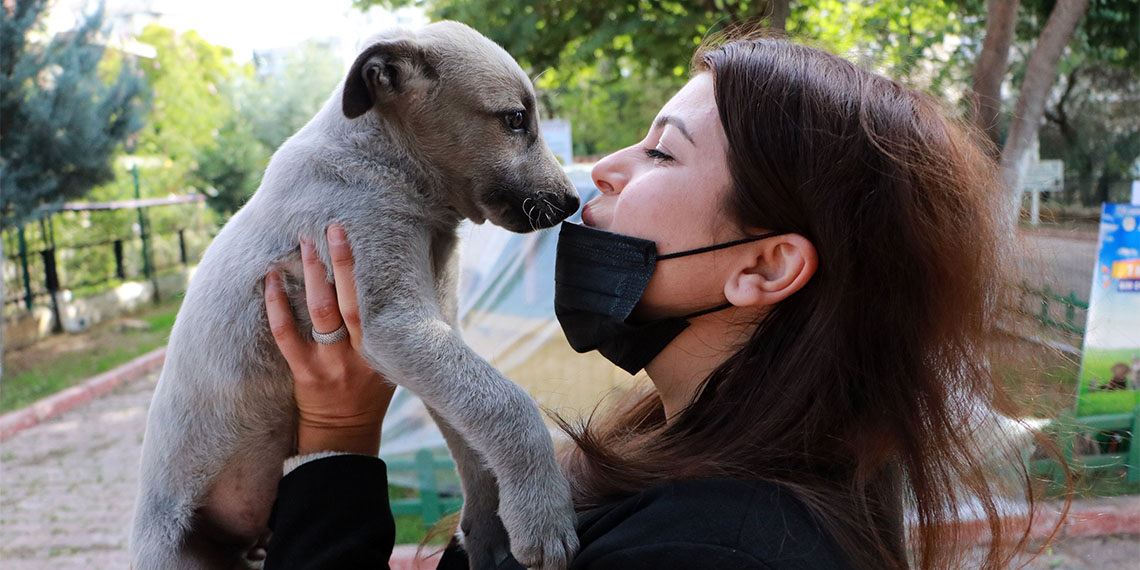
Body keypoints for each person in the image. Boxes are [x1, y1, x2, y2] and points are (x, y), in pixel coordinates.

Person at [260, 34, 1053, 570]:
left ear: (769, 266)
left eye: (661, 151)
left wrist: (334, 441)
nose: (603, 167)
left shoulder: (716, 552)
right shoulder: (695, 458)